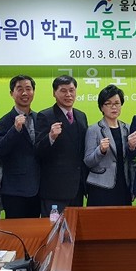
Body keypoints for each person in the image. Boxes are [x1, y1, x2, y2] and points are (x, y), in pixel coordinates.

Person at [35, 75, 88, 215]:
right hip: (55, 189)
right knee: (53, 227)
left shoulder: (81, 116)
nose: (68, 94)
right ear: (54, 93)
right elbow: (38, 151)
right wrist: (50, 137)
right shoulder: (45, 116)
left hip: (77, 188)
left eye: (71, 90)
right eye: (63, 91)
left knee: (75, 227)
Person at [0, 75, 40, 218]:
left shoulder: (39, 118)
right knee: (14, 229)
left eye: (28, 89)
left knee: (35, 229)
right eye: (19, 89)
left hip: (38, 188)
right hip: (14, 190)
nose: (25, 93)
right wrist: (15, 129)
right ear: (12, 93)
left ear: (33, 92)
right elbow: (0, 149)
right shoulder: (5, 121)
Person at [84, 85, 136, 206]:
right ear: (102, 107)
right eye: (108, 103)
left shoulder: (127, 128)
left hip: (123, 186)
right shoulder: (94, 130)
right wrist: (100, 151)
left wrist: (133, 186)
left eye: (117, 103)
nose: (114, 107)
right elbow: (88, 161)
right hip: (100, 187)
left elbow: (132, 161)